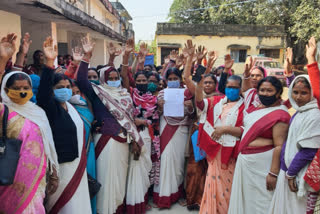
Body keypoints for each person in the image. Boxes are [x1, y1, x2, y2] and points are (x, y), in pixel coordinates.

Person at [77, 37, 143, 214]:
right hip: (106, 140)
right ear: (102, 79)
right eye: (110, 77)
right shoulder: (98, 91)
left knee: (119, 178)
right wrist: (86, 57)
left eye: (115, 77)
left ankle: (116, 209)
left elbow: (128, 117)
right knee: (106, 177)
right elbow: (81, 81)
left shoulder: (123, 93)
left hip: (123, 141)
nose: (114, 80)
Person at [0, 33, 59, 214]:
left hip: (36, 181)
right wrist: (2, 61)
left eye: (26, 88)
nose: (22, 91)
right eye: (17, 88)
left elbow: (48, 145)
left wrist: (53, 173)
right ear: (5, 89)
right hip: (9, 180)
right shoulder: (3, 111)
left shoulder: (38, 112)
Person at [37, 36, 91, 214]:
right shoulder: (49, 108)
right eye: (60, 87)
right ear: (52, 90)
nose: (65, 90)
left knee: (78, 204)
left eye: (68, 86)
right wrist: (49, 63)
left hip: (77, 164)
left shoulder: (72, 107)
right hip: (60, 168)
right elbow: (43, 93)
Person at [228, 76, 291, 214]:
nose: (265, 94)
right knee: (247, 202)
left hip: (264, 167)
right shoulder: (256, 110)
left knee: (262, 202)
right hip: (247, 164)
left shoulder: (280, 114)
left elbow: (279, 146)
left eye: (269, 90)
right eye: (262, 90)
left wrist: (273, 174)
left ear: (278, 93)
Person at [196, 75, 244, 214]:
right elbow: (199, 103)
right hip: (215, 149)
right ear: (225, 88)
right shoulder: (216, 101)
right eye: (229, 87)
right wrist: (198, 83)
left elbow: (245, 130)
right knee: (213, 182)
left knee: (228, 186)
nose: (232, 90)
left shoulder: (245, 107)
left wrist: (225, 129)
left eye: (235, 87)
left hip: (231, 152)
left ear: (241, 89)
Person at [153, 66, 194, 208]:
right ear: (165, 80)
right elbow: (155, 114)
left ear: (180, 79)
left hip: (181, 130)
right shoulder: (161, 94)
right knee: (166, 159)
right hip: (166, 128)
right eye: (169, 79)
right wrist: (159, 106)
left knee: (178, 163)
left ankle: (178, 193)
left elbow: (192, 113)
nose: (172, 81)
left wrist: (189, 106)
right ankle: (163, 195)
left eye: (175, 79)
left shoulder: (187, 93)